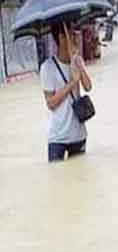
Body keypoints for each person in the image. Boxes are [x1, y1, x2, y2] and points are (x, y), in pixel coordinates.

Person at [40, 23, 93, 162]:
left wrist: (78, 64)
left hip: (78, 135)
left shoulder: (77, 60)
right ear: (61, 38)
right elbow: (51, 103)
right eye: (71, 34)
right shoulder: (47, 68)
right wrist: (72, 83)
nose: (76, 38)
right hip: (58, 138)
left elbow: (88, 87)